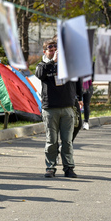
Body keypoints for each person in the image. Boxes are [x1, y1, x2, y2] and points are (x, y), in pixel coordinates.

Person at [35, 38, 83, 178]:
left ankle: (69, 168)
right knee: (51, 140)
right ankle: (50, 167)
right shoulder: (43, 65)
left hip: (67, 107)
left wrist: (79, 98)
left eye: (57, 49)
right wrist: (53, 62)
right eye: (51, 49)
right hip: (50, 108)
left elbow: (78, 81)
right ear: (45, 51)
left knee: (67, 141)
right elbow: (40, 75)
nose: (54, 51)